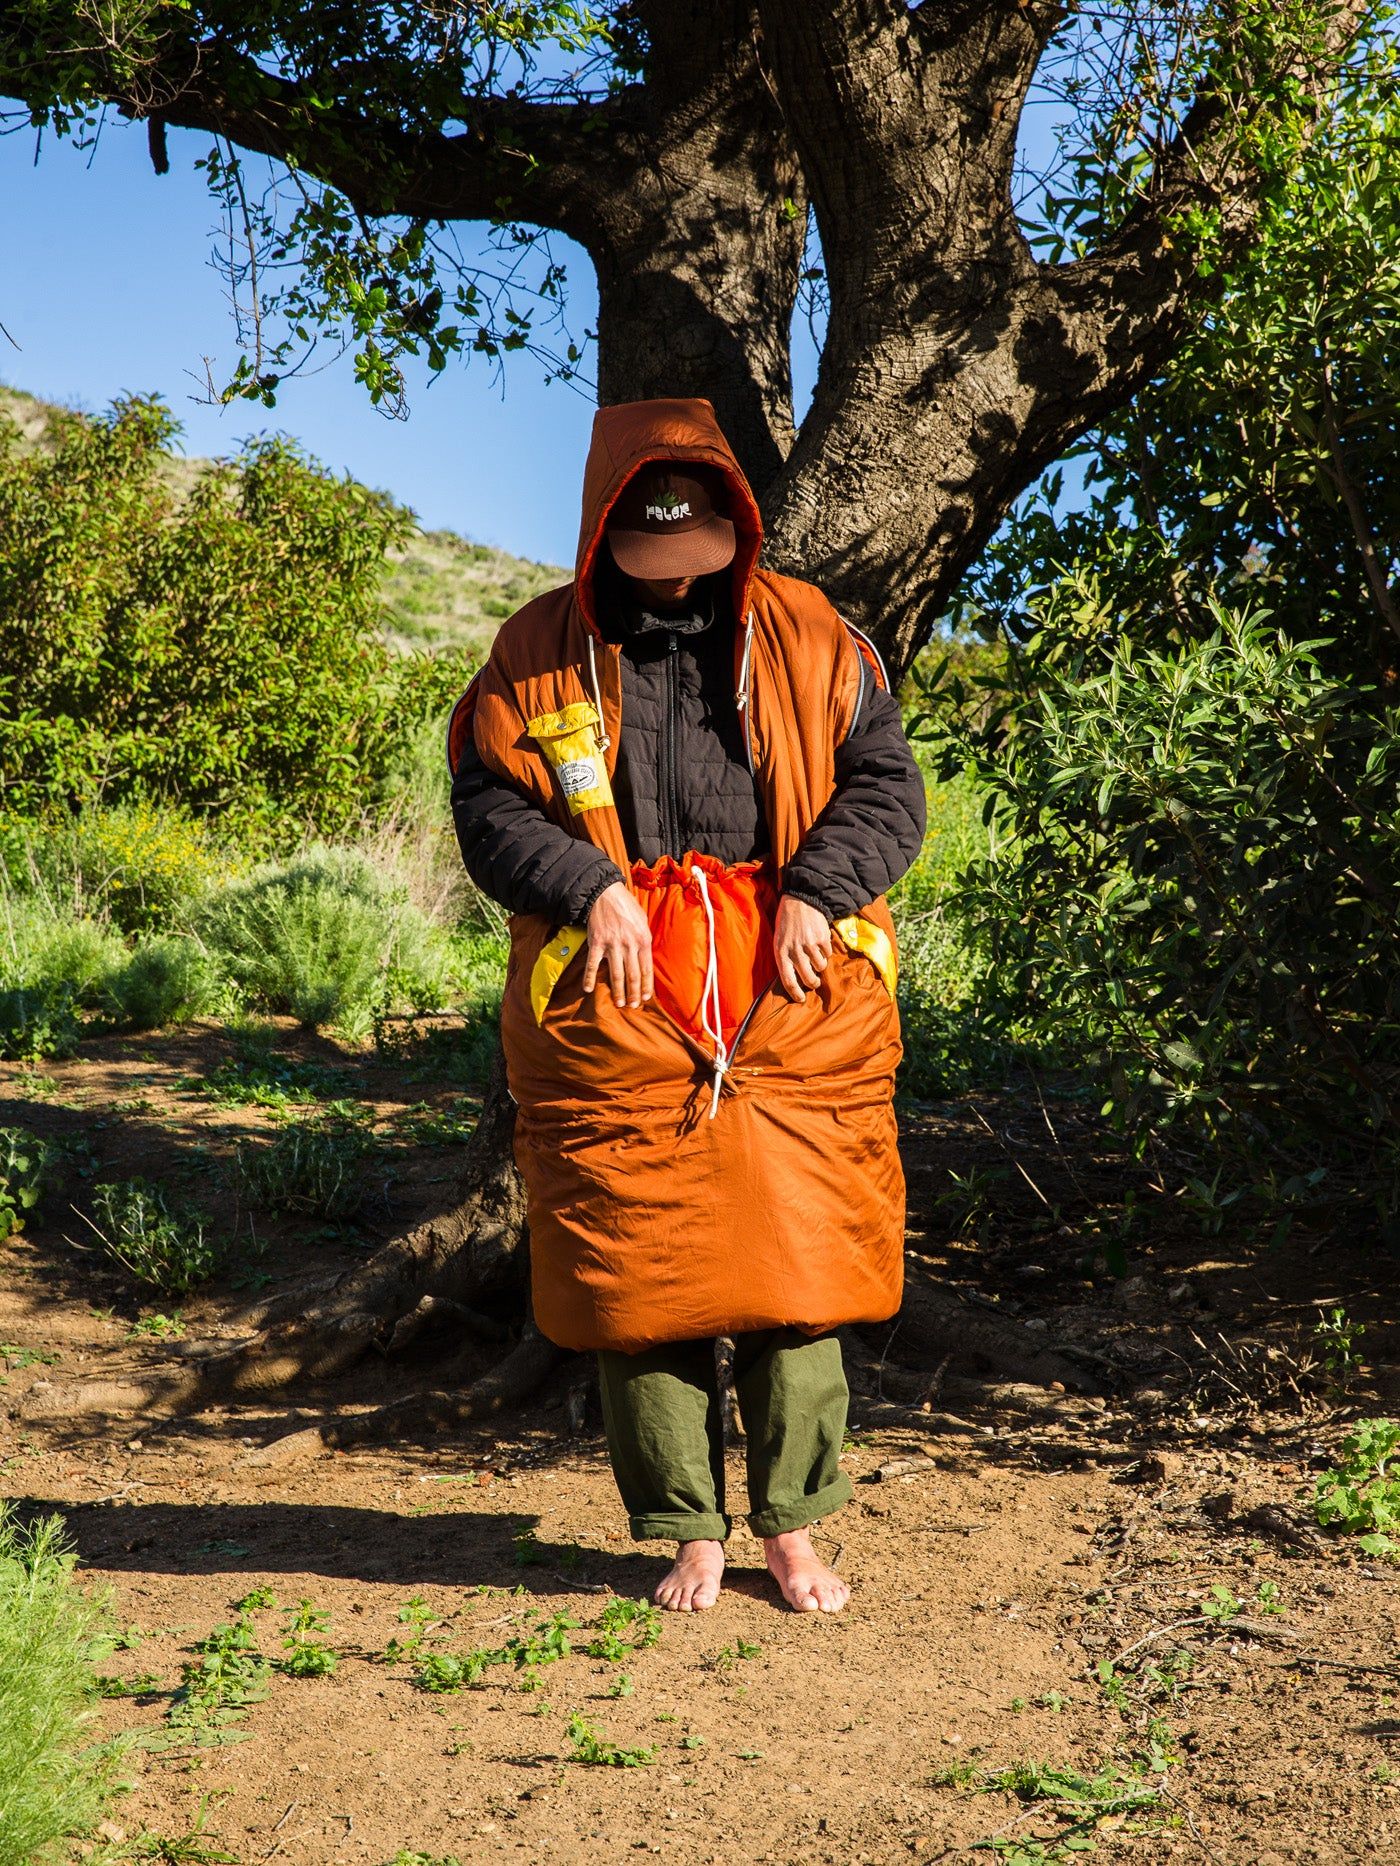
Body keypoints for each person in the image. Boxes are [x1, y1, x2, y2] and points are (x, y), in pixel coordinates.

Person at [447, 397, 925, 1613]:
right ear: (601, 532)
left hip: (789, 986)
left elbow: (885, 787)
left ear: (735, 528)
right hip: (614, 996)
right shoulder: (535, 651)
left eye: (695, 560)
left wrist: (820, 891)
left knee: (798, 1260)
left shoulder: (816, 638)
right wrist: (586, 883)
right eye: (645, 562)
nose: (672, 586)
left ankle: (794, 1528)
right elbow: (487, 804)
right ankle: (683, 1526)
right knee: (636, 1271)